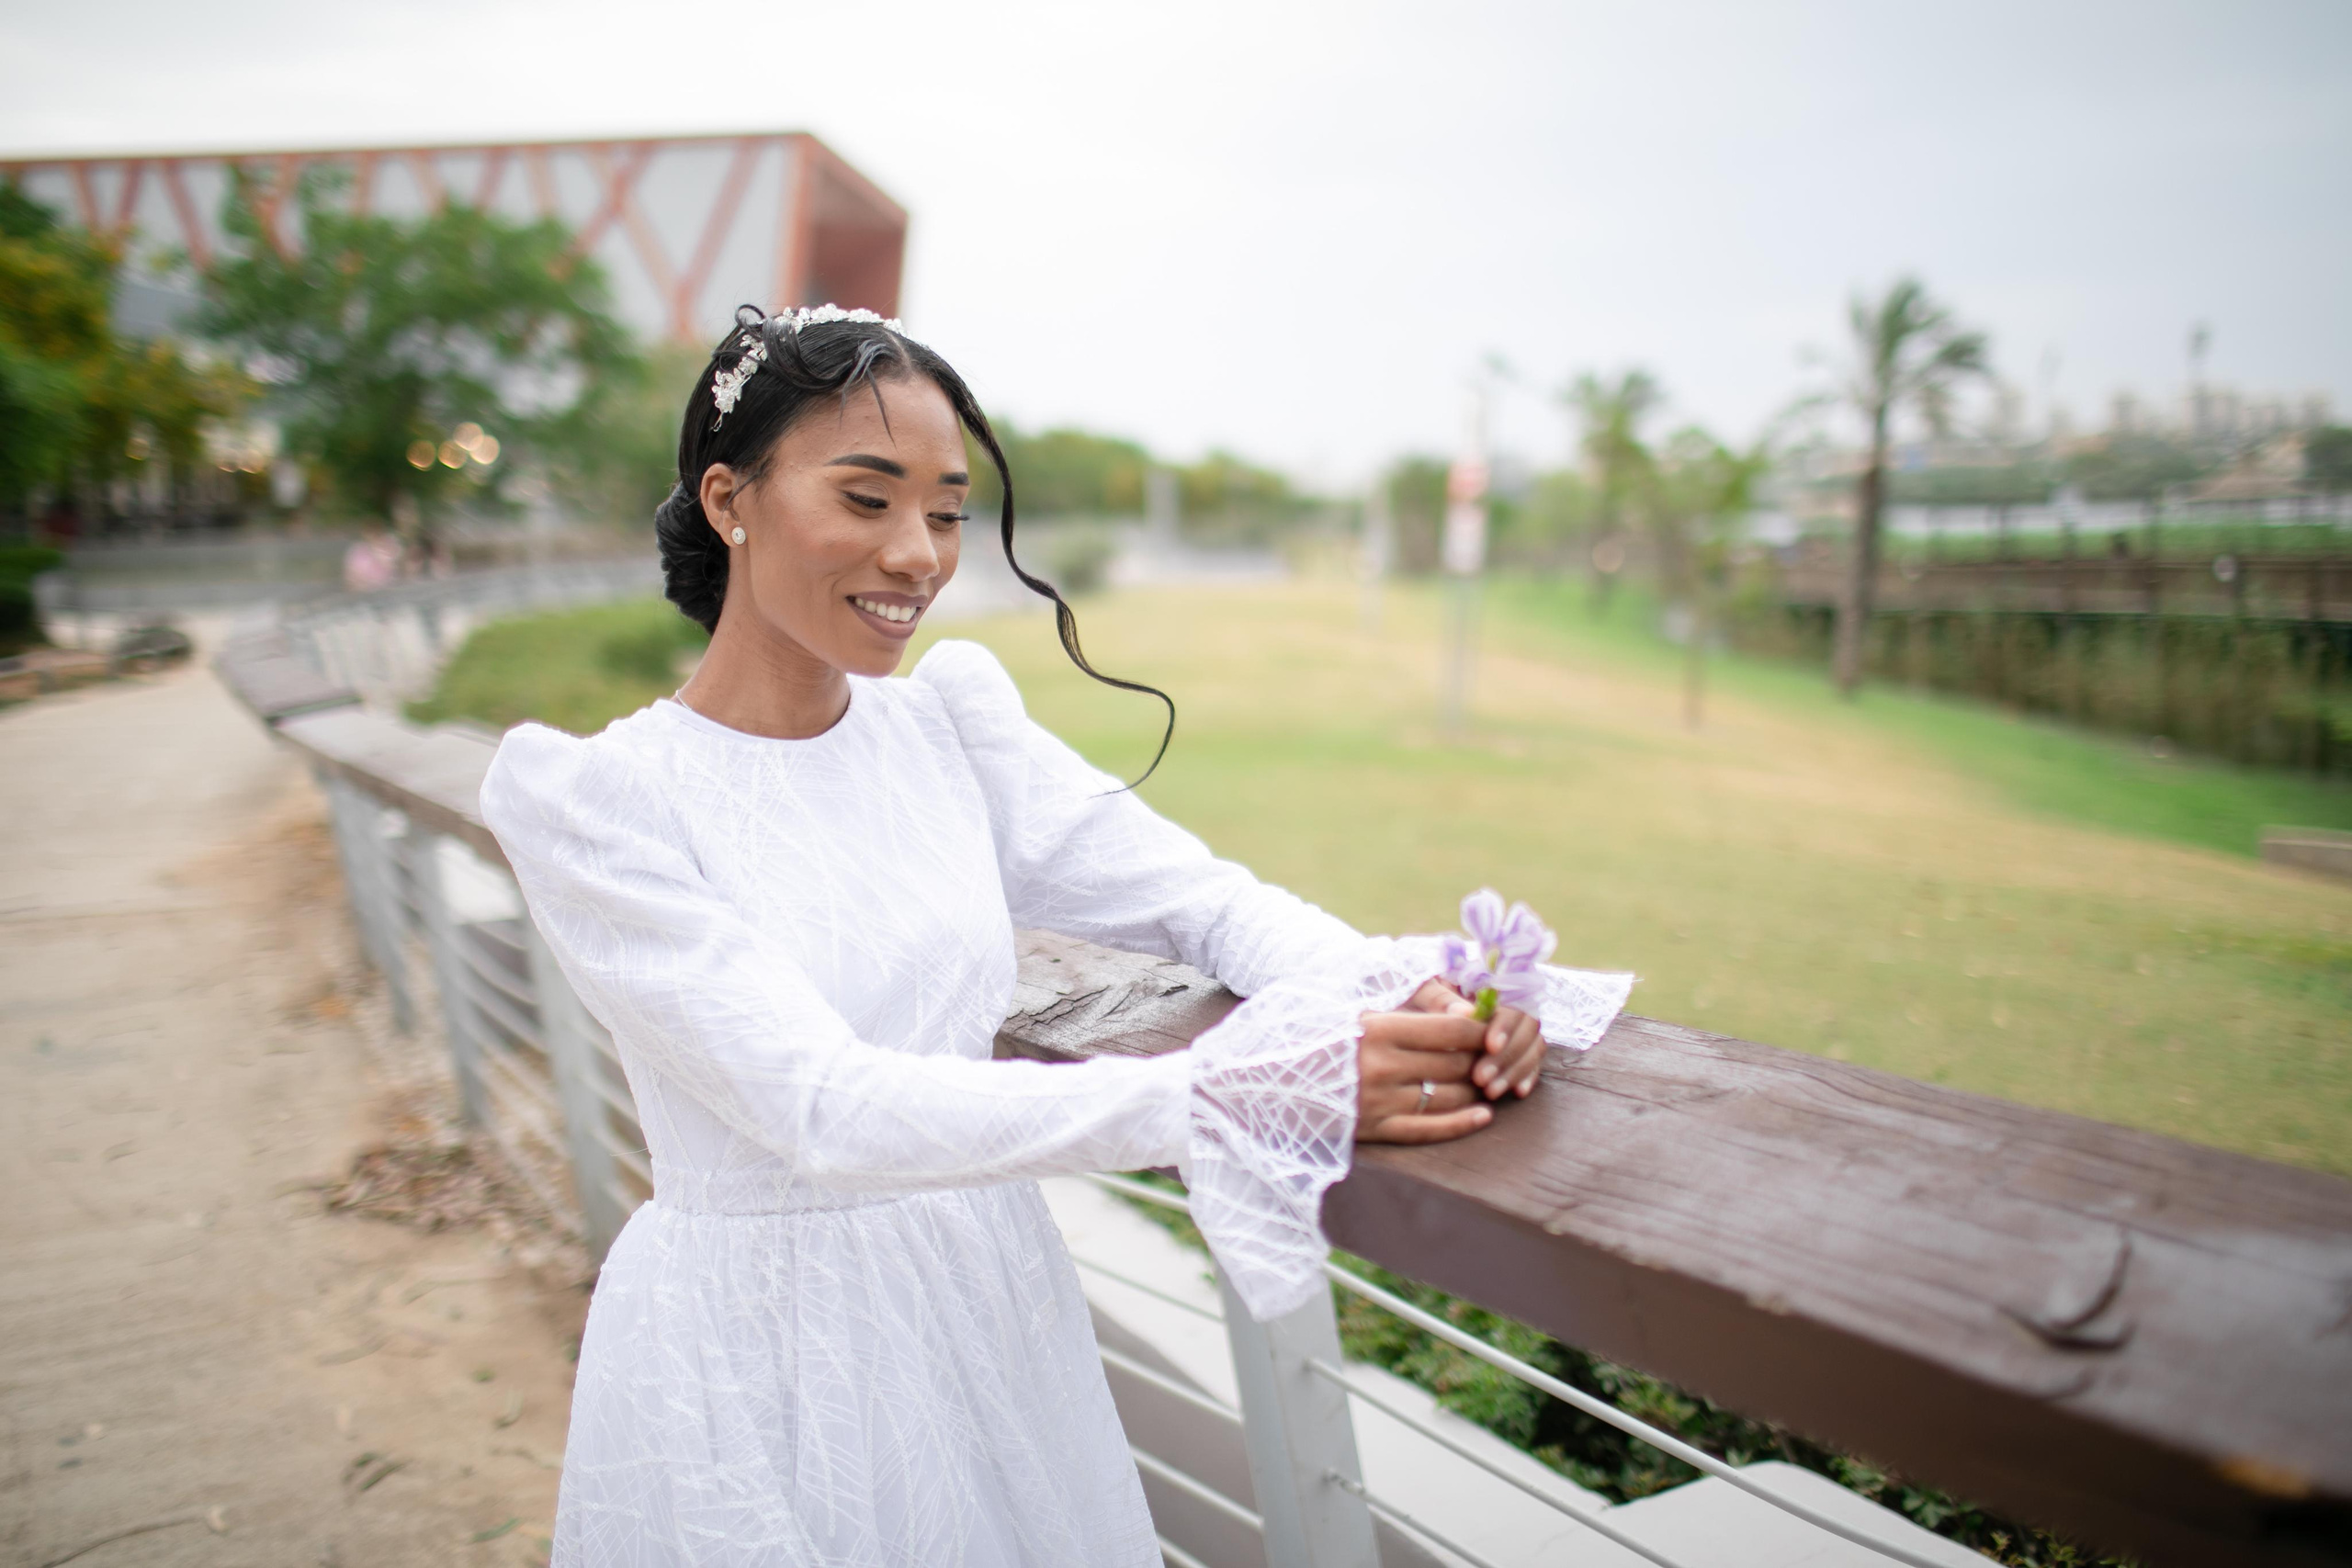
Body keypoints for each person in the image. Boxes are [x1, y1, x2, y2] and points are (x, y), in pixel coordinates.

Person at [480, 305, 1631, 1566]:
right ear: (727, 499)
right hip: (768, 1351)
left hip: (987, 1295)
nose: (919, 554)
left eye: (948, 510)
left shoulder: (948, 730)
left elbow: (1201, 901)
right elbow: (820, 1109)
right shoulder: (597, 801)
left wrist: (1422, 992)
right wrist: (1242, 1094)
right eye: (867, 500)